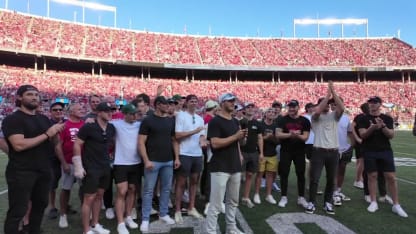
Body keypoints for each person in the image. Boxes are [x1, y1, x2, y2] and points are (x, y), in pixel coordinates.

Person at [2, 85, 65, 234]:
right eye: (29, 94)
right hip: (21, 171)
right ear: (19, 97)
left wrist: (56, 133)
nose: (34, 97)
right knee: (18, 210)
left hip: (44, 170)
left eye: (36, 94)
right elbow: (18, 145)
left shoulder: (43, 119)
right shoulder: (13, 119)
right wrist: (48, 134)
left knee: (40, 206)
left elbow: (54, 143)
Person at [357, 96, 408, 217]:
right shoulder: (363, 118)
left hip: (385, 150)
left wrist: (383, 126)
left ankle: (396, 204)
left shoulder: (387, 118)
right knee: (372, 176)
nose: (372, 104)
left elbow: (391, 135)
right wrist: (373, 127)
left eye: (375, 102)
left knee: (391, 177)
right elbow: (363, 135)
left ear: (380, 104)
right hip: (369, 150)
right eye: (370, 102)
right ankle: (373, 201)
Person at [205, 93, 247, 234]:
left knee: (233, 201)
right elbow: (215, 143)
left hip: (234, 165)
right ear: (222, 103)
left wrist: (241, 140)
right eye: (229, 101)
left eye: (233, 101)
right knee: (216, 204)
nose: (232, 103)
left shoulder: (235, 121)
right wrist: (235, 136)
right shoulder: (215, 121)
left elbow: (238, 143)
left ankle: (231, 228)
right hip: (220, 167)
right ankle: (210, 231)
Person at [138, 96, 180, 232]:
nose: (168, 106)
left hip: (168, 160)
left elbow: (174, 140)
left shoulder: (170, 120)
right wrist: (146, 160)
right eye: (165, 104)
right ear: (157, 105)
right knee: (149, 191)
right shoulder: (148, 120)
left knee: (166, 189)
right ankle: (145, 218)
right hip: (153, 161)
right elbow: (141, 142)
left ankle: (163, 213)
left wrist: (177, 158)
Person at [73, 102, 116, 234]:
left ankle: (95, 224)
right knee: (88, 198)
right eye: (106, 110)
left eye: (112, 110)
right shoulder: (88, 127)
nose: (110, 113)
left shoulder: (111, 127)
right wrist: (78, 166)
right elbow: (77, 144)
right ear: (98, 112)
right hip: (91, 167)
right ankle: (86, 230)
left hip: (105, 166)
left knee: (99, 196)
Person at [305, 81, 344, 215]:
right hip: (318, 151)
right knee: (315, 179)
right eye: (324, 103)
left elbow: (342, 108)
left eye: (328, 104)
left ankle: (328, 202)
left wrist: (333, 91)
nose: (327, 105)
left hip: (333, 152)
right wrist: (327, 96)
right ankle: (311, 202)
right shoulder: (315, 118)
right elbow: (317, 110)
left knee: (331, 179)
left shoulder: (334, 116)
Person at [174, 95, 207, 223]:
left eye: (195, 101)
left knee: (194, 182)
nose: (194, 103)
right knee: (181, 183)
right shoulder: (181, 116)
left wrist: (203, 141)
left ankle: (191, 207)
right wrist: (194, 131)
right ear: (186, 103)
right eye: (191, 101)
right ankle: (177, 209)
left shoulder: (200, 118)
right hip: (184, 153)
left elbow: (201, 136)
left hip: (197, 154)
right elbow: (178, 135)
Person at [112, 104, 142, 234]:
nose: (135, 116)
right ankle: (120, 222)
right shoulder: (116, 124)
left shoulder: (139, 124)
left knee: (132, 190)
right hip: (121, 163)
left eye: (136, 113)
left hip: (136, 162)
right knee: (121, 191)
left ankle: (128, 216)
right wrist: (90, 119)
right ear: (126, 114)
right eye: (132, 114)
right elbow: (101, 121)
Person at [276, 100, 310, 208]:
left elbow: (305, 137)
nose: (291, 109)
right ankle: (283, 196)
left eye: (293, 107)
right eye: (289, 107)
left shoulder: (304, 121)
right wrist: (291, 134)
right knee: (284, 173)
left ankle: (301, 197)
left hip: (299, 151)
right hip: (285, 150)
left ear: (298, 107)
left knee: (300, 174)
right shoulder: (282, 120)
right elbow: (278, 134)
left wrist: (297, 135)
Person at [58, 103, 85, 228]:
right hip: (69, 162)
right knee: (66, 188)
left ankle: (85, 212)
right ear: (71, 111)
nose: (82, 110)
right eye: (79, 109)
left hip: (83, 162)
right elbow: (58, 146)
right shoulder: (65, 126)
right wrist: (63, 163)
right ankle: (63, 215)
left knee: (83, 189)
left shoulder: (84, 124)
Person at [330, 98, 354, 206]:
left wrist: (352, 145)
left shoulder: (346, 118)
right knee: (333, 172)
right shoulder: (327, 117)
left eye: (336, 104)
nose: (334, 106)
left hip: (344, 149)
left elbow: (349, 133)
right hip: (332, 149)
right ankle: (334, 193)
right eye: (332, 104)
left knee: (342, 170)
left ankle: (338, 191)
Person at [240, 102, 264, 209]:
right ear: (244, 110)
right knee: (235, 176)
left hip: (253, 152)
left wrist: (261, 152)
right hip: (241, 152)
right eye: (248, 107)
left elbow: (260, 138)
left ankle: (246, 197)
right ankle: (232, 198)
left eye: (252, 107)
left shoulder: (257, 123)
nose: (250, 109)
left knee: (250, 175)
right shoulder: (239, 122)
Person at [253, 108, 279, 204]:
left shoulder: (276, 126)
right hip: (262, 153)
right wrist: (266, 137)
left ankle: (268, 195)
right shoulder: (260, 124)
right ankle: (256, 194)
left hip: (272, 154)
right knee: (259, 174)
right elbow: (257, 139)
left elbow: (278, 141)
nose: (271, 113)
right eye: (269, 112)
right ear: (265, 114)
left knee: (270, 175)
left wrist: (272, 138)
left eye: (273, 112)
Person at [47, 102, 66, 220]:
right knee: (52, 184)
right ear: (51, 112)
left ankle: (65, 205)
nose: (58, 111)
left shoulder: (67, 122)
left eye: (60, 109)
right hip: (52, 158)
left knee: (67, 184)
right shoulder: (47, 123)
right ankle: (52, 207)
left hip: (67, 157)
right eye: (55, 110)